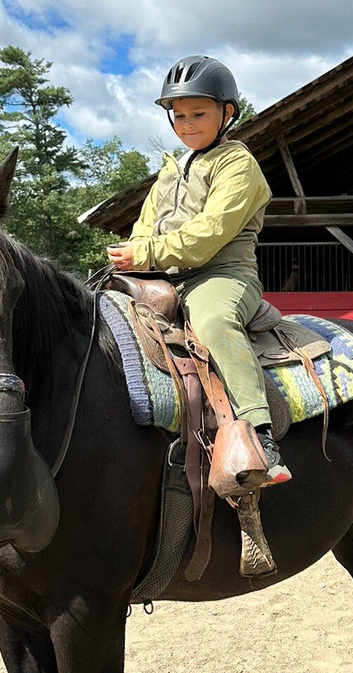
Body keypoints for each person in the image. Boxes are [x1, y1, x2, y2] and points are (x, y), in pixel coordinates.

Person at [107, 55, 290, 485]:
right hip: (163, 278)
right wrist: (130, 252)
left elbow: (211, 233)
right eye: (179, 115)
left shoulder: (237, 164)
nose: (187, 124)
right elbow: (143, 227)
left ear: (228, 112)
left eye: (198, 113)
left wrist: (147, 252)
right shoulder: (169, 172)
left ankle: (259, 434)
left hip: (221, 275)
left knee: (213, 321)